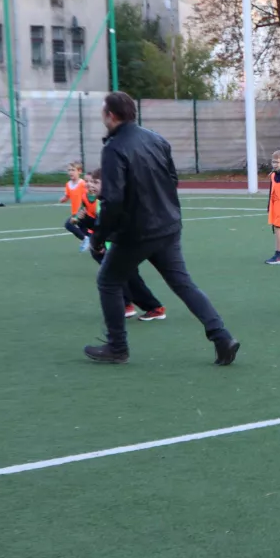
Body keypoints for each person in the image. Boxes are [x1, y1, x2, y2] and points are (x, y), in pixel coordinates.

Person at [85, 91, 239, 365]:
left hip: (136, 232)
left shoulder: (113, 148)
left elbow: (114, 199)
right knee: (183, 283)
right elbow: (171, 179)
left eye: (103, 112)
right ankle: (222, 337)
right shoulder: (156, 139)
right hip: (167, 226)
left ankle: (117, 347)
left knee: (107, 281)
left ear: (110, 115)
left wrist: (99, 236)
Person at [86, 168, 166, 321]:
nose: (90, 185)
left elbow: (113, 226)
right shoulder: (101, 201)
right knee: (126, 278)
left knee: (119, 279)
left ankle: (147, 307)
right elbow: (102, 226)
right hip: (117, 245)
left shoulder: (113, 201)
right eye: (88, 182)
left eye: (95, 182)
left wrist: (101, 242)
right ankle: (140, 306)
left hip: (123, 246)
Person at [60, 161, 90, 251]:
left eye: (73, 170)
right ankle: (92, 243)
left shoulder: (83, 184)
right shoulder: (68, 184)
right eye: (69, 170)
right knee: (84, 231)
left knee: (68, 224)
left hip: (83, 212)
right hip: (75, 213)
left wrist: (85, 209)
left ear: (79, 171)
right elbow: (68, 195)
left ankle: (86, 240)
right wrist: (63, 199)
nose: (70, 172)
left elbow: (88, 197)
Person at [66, 174, 99, 252]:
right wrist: (76, 218)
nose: (87, 183)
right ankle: (87, 239)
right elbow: (81, 210)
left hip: (101, 223)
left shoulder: (101, 197)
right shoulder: (84, 196)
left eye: (91, 181)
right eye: (86, 181)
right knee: (68, 223)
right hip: (92, 222)